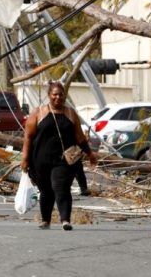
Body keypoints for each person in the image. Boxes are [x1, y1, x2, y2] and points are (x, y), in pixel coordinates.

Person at [21, 81, 97, 231]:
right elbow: (28, 137)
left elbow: (80, 137)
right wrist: (25, 158)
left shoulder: (70, 114)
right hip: (40, 160)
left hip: (64, 160)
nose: (58, 97)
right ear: (49, 95)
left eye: (61, 94)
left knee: (60, 186)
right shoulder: (38, 113)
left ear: (65, 96)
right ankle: (46, 220)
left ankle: (65, 220)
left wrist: (90, 153)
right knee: (45, 190)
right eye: (54, 94)